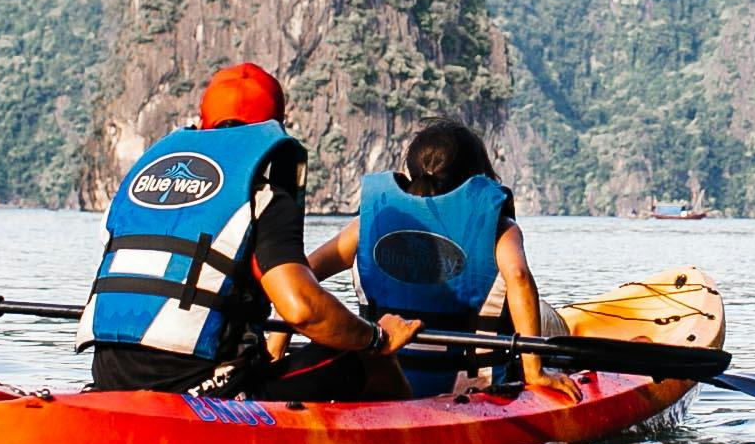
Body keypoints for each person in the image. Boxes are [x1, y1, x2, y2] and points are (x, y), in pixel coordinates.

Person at [78, 62, 420, 402]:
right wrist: (377, 337)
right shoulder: (262, 197)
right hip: (205, 388)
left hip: (109, 378)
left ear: (202, 124)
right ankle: (415, 427)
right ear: (271, 132)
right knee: (367, 356)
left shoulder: (135, 189)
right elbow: (301, 309)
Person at [306, 120, 578, 402]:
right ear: (476, 175)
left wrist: (277, 349)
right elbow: (519, 277)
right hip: (472, 388)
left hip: (382, 382)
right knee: (545, 319)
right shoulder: (500, 228)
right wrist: (534, 371)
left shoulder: (365, 225)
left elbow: (303, 274)